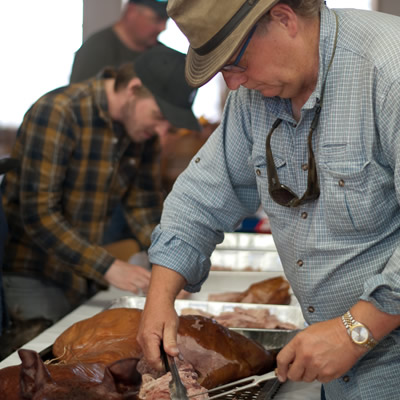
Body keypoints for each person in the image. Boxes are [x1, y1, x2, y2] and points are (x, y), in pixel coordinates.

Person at [136, 1, 400, 399]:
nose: (233, 84)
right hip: (338, 367)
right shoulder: (256, 93)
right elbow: (202, 195)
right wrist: (159, 299)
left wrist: (356, 330)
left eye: (234, 63)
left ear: (283, 18)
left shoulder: (388, 70)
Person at [1, 45, 199, 325]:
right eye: (158, 116)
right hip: (32, 273)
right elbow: (38, 214)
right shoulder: (59, 112)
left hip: (83, 275)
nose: (161, 131)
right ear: (133, 89)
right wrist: (107, 266)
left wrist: (168, 265)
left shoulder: (142, 130)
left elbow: (143, 206)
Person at [70, 0, 168, 84]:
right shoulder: (96, 49)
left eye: (166, 20)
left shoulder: (163, 54)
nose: (163, 28)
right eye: (157, 19)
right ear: (131, 12)